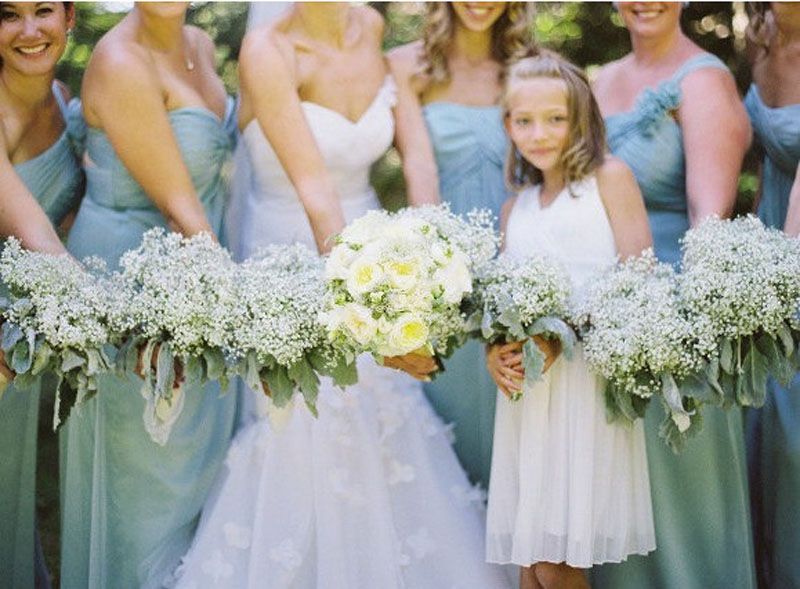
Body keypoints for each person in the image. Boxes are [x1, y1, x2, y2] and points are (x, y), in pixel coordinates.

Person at [172, 4, 511, 588]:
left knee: (383, 419)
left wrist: (432, 266)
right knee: (308, 424)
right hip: (294, 253)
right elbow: (315, 191)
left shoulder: (371, 28)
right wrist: (377, 325)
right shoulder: (269, 51)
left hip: (374, 242)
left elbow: (415, 160)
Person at [58, 3, 239, 587]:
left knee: (197, 473)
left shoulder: (200, 46)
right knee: (146, 474)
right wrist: (240, 306)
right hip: (133, 278)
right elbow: (179, 205)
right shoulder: (118, 60)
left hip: (198, 263)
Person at [590, 3, 755, 588]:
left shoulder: (704, 80)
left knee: (675, 486)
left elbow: (708, 222)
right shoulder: (600, 80)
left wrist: (673, 326)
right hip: (597, 300)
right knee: (612, 485)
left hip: (668, 308)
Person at [485, 51, 655, 589]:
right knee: (530, 565)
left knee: (558, 564)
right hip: (529, 399)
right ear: (508, 124)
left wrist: (564, 337)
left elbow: (637, 281)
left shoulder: (609, 178)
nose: (539, 133)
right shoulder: (518, 207)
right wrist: (496, 352)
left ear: (581, 118)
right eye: (523, 120)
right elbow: (501, 304)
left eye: (555, 118)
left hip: (582, 385)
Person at [388, 1, 533, 487]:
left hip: (523, 254)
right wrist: (435, 269)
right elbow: (420, 168)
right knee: (454, 420)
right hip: (448, 259)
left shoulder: (529, 67)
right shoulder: (409, 66)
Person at [0, 2, 82, 587]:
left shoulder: (68, 105)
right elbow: (38, 237)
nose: (30, 31)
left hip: (25, 335)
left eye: (43, 10)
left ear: (70, 18)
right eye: (8, 15)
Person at [744, 3, 800, 587]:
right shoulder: (760, 40)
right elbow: (767, 160)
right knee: (757, 430)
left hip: (796, 246)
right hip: (770, 232)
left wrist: (781, 278)